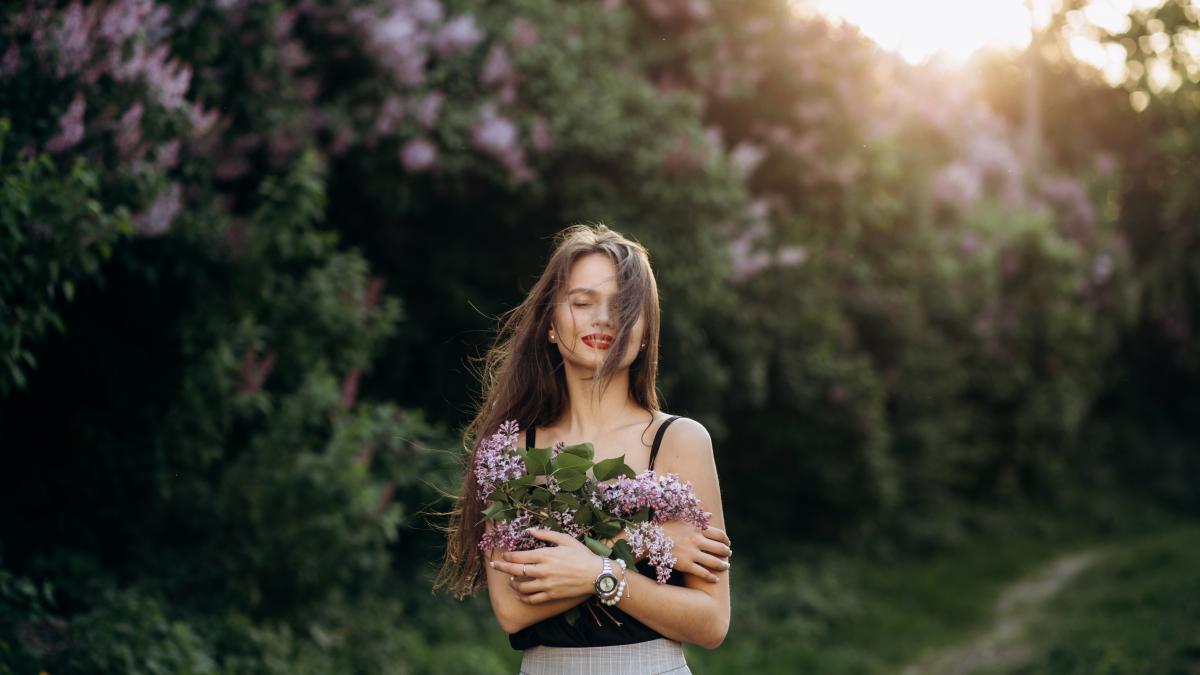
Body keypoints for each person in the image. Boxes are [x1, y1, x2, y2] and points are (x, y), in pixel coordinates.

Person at [436, 223, 733, 674]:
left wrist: (598, 574)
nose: (603, 319)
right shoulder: (510, 450)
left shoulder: (680, 441)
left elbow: (711, 623)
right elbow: (513, 610)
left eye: (622, 306)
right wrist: (636, 541)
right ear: (551, 325)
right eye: (582, 302)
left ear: (647, 330)